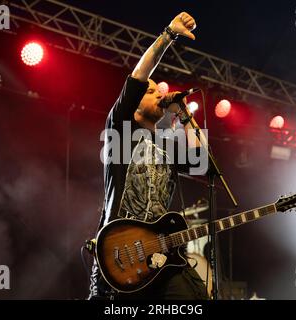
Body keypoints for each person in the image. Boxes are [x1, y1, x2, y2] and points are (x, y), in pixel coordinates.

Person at [88, 12, 209, 300]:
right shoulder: (121, 127)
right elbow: (139, 77)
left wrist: (185, 116)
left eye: (159, 91)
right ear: (134, 103)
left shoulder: (166, 144)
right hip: (121, 251)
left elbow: (200, 160)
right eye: (152, 91)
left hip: (161, 252)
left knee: (195, 298)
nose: (158, 94)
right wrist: (169, 34)